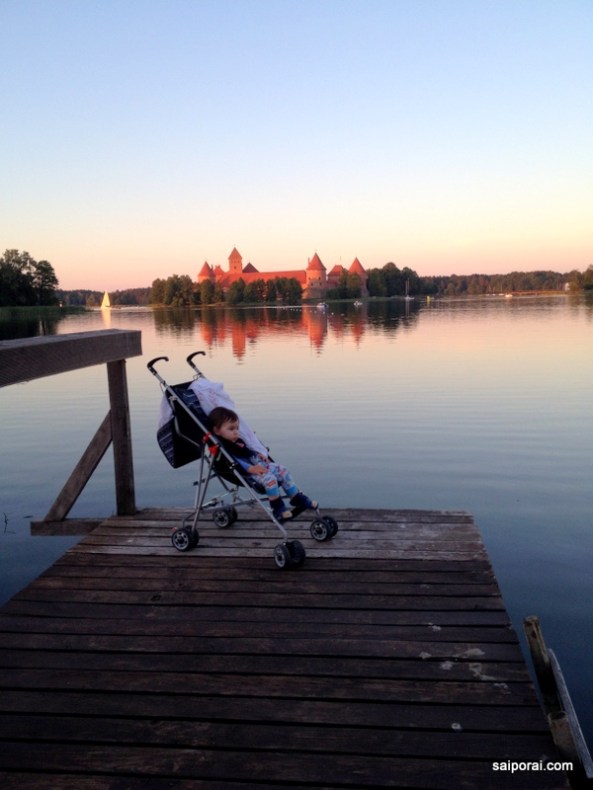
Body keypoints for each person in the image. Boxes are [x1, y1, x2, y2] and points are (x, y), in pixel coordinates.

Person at [208, 406, 317, 521]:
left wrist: (258, 455)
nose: (236, 431)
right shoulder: (224, 447)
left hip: (259, 465)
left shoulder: (238, 441)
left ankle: (296, 497)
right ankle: (277, 508)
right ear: (217, 431)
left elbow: (247, 452)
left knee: (283, 470)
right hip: (249, 473)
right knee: (270, 479)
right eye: (231, 429)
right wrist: (251, 468)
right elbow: (236, 461)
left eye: (237, 428)